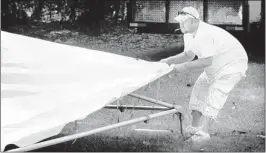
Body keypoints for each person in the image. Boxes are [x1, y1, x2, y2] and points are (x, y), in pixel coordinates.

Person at [160, 6, 248, 143]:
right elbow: (188, 55)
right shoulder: (188, 33)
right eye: (180, 21)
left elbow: (207, 61)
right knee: (199, 89)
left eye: (185, 21)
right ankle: (194, 129)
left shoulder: (205, 34)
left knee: (216, 92)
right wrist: (168, 61)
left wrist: (181, 67)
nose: (181, 24)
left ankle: (203, 134)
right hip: (215, 67)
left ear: (195, 21)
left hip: (232, 65)